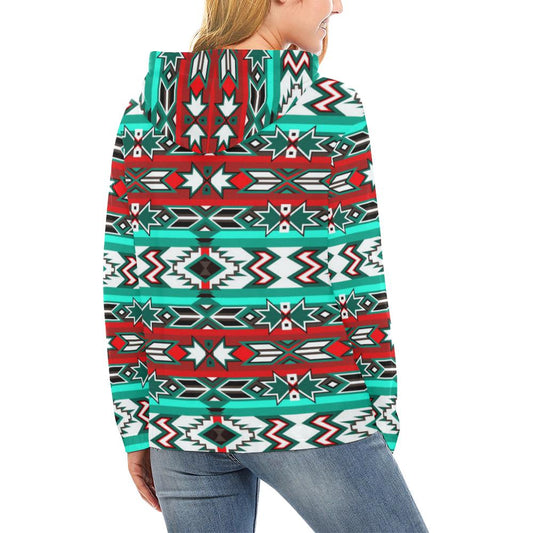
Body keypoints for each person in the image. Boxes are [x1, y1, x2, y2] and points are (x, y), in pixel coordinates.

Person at [102, 0, 429, 531]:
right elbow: (357, 274)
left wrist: (136, 423)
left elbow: (125, 280)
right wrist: (381, 413)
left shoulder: (142, 113)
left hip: (180, 414)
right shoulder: (330, 110)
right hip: (310, 410)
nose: (338, 6)